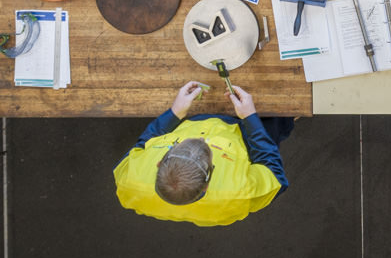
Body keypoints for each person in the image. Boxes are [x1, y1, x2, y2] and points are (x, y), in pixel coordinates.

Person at [113, 81, 291, 226]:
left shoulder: (128, 180)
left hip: (189, 118)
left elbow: (143, 145)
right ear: (207, 186)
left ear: (159, 162)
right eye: (209, 152)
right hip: (240, 130)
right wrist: (250, 117)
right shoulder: (241, 193)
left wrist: (174, 113)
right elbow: (273, 171)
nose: (202, 139)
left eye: (177, 144)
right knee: (280, 116)